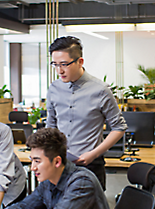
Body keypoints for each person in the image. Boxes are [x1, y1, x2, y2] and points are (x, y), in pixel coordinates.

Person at [0, 128, 114, 209]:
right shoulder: (49, 180)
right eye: (32, 160)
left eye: (37, 161)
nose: (32, 168)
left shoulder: (81, 183)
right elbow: (26, 207)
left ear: (57, 161)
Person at [46, 36, 128, 190]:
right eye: (55, 65)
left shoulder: (101, 90)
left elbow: (119, 127)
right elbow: (50, 126)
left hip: (90, 165)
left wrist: (94, 154)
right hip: (59, 164)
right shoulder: (54, 88)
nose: (59, 70)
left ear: (80, 61)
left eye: (64, 64)